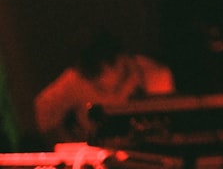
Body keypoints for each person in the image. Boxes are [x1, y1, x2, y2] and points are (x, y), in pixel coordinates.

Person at [33, 30, 175, 146]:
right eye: (97, 85)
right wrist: (72, 147)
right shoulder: (75, 80)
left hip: (145, 153)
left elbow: (168, 120)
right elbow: (44, 111)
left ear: (122, 58)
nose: (107, 87)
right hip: (98, 158)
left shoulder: (153, 73)